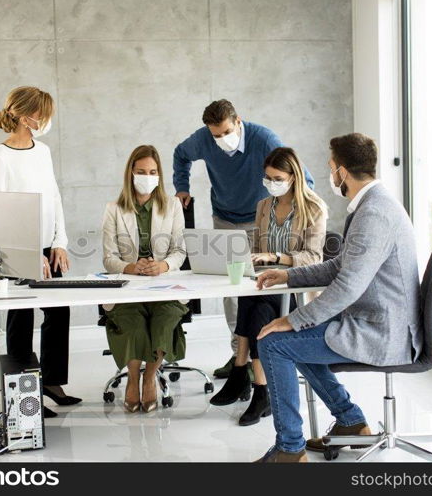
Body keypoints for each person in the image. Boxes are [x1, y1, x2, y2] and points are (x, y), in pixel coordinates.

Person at [252, 133, 424, 462]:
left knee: (274, 342)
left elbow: (348, 286)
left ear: (342, 172)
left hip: (383, 332)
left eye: (332, 167)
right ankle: (350, 421)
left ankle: (289, 452)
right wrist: (288, 274)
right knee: (290, 338)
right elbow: (340, 265)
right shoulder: (374, 205)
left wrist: (293, 318)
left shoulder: (374, 214)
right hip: (376, 319)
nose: (330, 175)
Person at [173, 99, 315, 378]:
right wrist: (182, 186)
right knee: (232, 289)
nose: (221, 140)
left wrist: (295, 215)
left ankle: (264, 355)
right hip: (225, 218)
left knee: (260, 289)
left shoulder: (264, 139)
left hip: (260, 219)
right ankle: (239, 354)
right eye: (216, 136)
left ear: (239, 121)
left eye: (226, 132)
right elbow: (181, 154)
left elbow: (301, 177)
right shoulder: (203, 139)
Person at [209, 147, 327, 427]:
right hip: (266, 283)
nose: (271, 182)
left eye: (277, 178)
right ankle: (258, 389)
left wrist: (277, 258)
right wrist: (241, 256)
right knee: (253, 302)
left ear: (294, 177)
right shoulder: (264, 206)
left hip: (294, 289)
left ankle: (244, 376)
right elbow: (255, 248)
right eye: (267, 177)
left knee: (256, 307)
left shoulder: (314, 208)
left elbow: (314, 257)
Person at [0, 86, 81, 418]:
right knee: (21, 318)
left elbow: (53, 197)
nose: (49, 119)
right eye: (45, 113)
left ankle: (52, 382)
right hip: (18, 250)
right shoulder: (0, 157)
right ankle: (25, 397)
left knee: (58, 312)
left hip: (47, 247)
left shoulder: (42, 151)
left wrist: (59, 242)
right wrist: (26, 251)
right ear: (28, 116)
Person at [102, 145, 189, 413]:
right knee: (133, 322)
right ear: (131, 173)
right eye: (141, 171)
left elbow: (180, 250)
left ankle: (149, 377)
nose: (147, 176)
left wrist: (162, 265)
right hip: (128, 285)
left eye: (153, 172)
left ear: (159, 175)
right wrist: (131, 267)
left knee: (163, 320)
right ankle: (131, 379)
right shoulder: (114, 208)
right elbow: (108, 258)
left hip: (164, 284)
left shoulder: (172, 205)